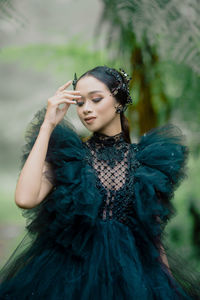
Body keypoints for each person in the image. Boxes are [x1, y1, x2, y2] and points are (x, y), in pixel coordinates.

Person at [0, 65, 200, 299]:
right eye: (81, 103)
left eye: (95, 99)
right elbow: (25, 199)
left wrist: (167, 287)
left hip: (133, 275)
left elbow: (152, 234)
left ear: (119, 102)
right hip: (68, 275)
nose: (86, 109)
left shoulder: (147, 162)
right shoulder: (69, 156)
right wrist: (48, 125)